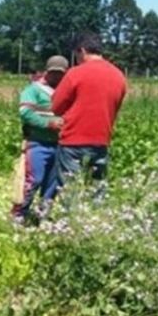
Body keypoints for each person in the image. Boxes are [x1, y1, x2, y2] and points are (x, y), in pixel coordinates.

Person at [51, 32, 127, 196]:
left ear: (82, 50)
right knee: (97, 191)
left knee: (70, 192)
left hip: (73, 140)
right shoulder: (119, 75)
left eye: (76, 54)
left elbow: (56, 106)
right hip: (101, 140)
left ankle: (70, 220)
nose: (77, 58)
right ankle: (94, 220)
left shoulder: (75, 73)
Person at [11, 55, 68, 224]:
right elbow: (25, 113)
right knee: (34, 179)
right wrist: (47, 124)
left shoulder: (66, 91)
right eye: (54, 73)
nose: (57, 77)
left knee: (53, 183)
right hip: (37, 142)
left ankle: (42, 214)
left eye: (60, 74)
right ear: (47, 72)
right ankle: (19, 213)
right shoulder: (33, 90)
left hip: (59, 144)